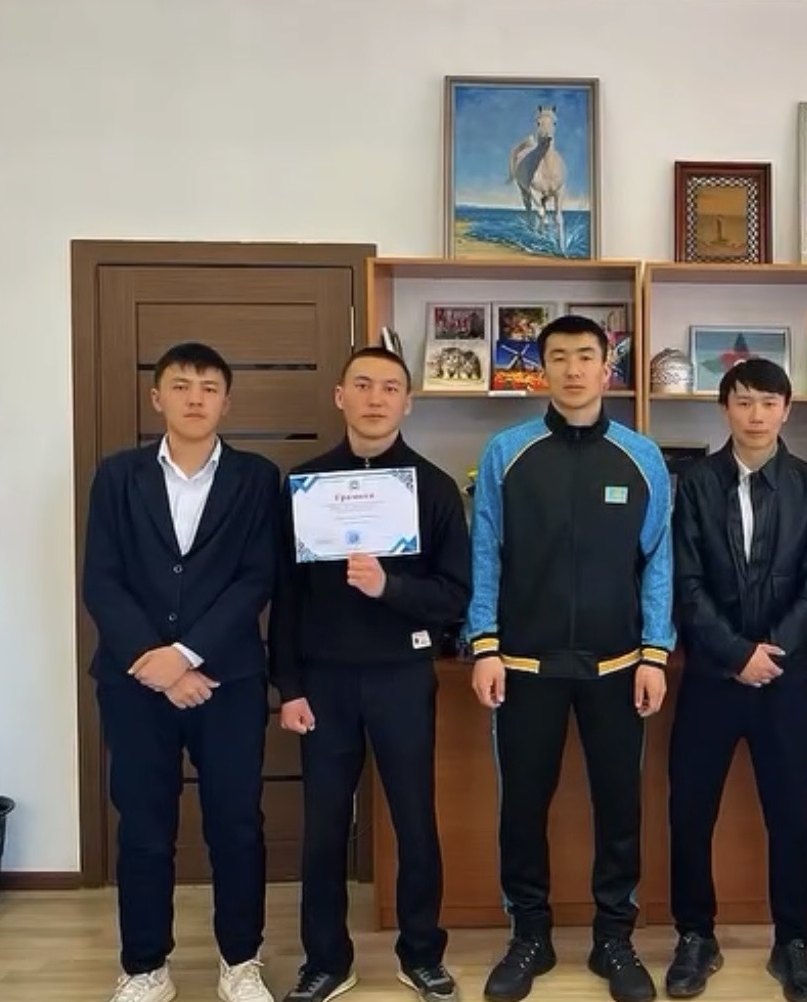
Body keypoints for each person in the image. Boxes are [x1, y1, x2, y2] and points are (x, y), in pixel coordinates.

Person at [465, 313, 674, 1002]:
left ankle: (615, 937)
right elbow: (485, 551)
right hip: (525, 668)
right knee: (522, 809)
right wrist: (484, 643)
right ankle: (529, 934)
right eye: (559, 357)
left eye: (586, 355)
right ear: (541, 369)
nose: (574, 369)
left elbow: (658, 562)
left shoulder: (642, 457)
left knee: (619, 809)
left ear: (607, 367)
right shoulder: (507, 452)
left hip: (619, 669)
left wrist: (655, 653)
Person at [268, 345, 472, 1002]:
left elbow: (455, 595)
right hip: (323, 682)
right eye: (363, 384)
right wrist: (289, 686)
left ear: (407, 402)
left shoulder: (433, 487)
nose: (375, 398)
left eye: (389, 387)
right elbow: (285, 595)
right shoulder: (305, 485)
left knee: (415, 819)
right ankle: (326, 960)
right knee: (325, 825)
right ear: (340, 396)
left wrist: (390, 587)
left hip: (402, 675)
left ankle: (423, 954)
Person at [83, 341, 281, 1002]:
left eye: (208, 387)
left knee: (236, 824)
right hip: (135, 682)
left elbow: (256, 577)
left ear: (226, 402)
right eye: (181, 385)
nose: (195, 397)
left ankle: (240, 961)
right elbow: (102, 579)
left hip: (228, 682)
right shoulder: (118, 476)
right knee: (143, 826)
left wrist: (188, 654)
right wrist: (158, 662)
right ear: (157, 397)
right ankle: (145, 967)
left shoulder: (257, 478)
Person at [665, 358, 807, 1002]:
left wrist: (774, 652)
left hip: (784, 682)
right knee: (690, 812)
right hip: (711, 677)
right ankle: (694, 936)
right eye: (743, 402)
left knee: (791, 816)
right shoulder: (696, 484)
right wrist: (737, 653)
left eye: (768, 402)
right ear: (725, 409)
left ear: (786, 410)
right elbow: (685, 581)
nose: (756, 415)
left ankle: (793, 942)